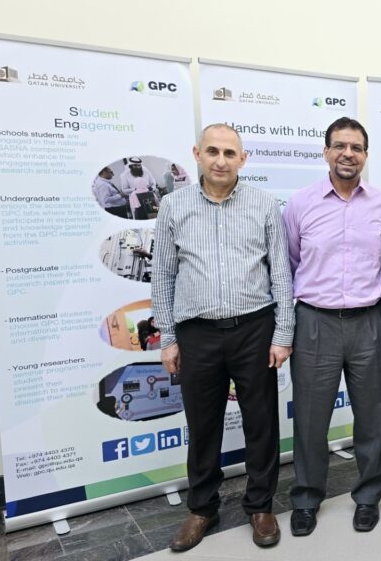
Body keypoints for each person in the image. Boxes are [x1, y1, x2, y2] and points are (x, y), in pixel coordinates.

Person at [151, 123, 294, 552]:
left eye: (230, 153)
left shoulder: (265, 205)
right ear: (197, 153)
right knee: (203, 423)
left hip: (254, 328)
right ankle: (202, 507)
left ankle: (260, 505)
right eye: (212, 151)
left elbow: (281, 275)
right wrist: (168, 339)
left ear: (243, 159)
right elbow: (162, 276)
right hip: (197, 333)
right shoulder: (173, 207)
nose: (220, 160)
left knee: (262, 422)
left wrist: (283, 333)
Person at [282, 117, 381, 535]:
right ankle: (307, 498)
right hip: (314, 322)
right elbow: (290, 264)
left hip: (370, 322)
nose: (348, 154)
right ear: (326, 151)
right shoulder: (300, 204)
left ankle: (368, 496)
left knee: (372, 415)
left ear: (366, 155)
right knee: (310, 419)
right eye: (340, 146)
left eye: (357, 147)